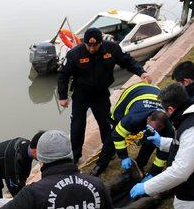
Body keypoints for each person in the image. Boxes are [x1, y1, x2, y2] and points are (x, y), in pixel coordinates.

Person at [58, 27, 151, 176]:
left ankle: (109, 151)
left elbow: (127, 61)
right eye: (89, 45)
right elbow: (63, 74)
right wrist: (62, 96)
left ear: (101, 42)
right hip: (81, 94)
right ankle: (75, 155)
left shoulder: (112, 49)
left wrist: (141, 72)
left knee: (106, 124)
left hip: (101, 93)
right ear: (85, 43)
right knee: (77, 125)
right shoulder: (75, 54)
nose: (92, 48)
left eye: (95, 45)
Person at [110, 82, 173, 180]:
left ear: (163, 127)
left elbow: (163, 152)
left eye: (156, 130)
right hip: (134, 92)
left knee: (151, 141)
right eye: (150, 127)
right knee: (116, 124)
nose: (152, 131)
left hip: (155, 94)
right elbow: (117, 134)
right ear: (148, 119)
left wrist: (153, 172)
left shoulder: (168, 129)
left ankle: (139, 165)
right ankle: (107, 155)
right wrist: (124, 156)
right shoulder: (134, 118)